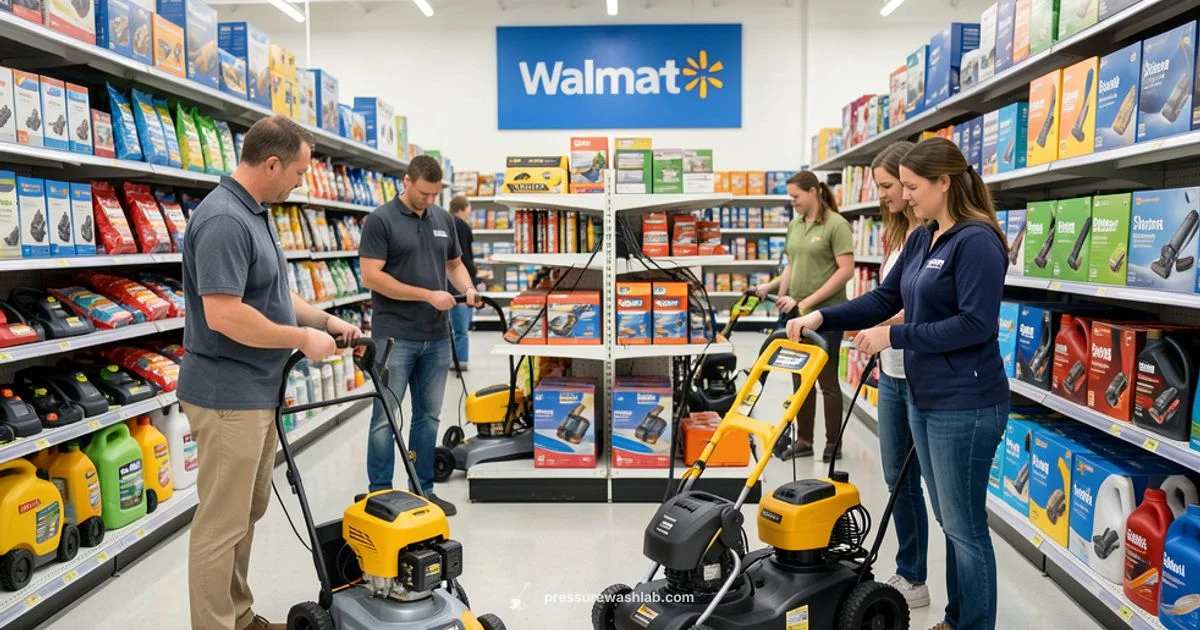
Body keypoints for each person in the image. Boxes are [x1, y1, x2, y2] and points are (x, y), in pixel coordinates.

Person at [788, 136, 1010, 630]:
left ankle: (970, 624)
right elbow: (884, 298)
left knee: (964, 527)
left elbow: (977, 325)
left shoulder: (976, 241)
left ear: (943, 182)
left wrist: (894, 336)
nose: (904, 196)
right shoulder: (921, 237)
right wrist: (822, 316)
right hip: (926, 396)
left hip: (967, 403)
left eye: (911, 186)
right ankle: (957, 618)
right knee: (950, 522)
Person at [179, 115, 363, 630]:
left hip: (254, 392)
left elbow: (274, 296)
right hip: (225, 394)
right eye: (299, 172)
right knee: (221, 524)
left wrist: (325, 321)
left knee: (244, 514)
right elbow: (225, 314)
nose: (301, 182)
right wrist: (302, 339)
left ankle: (238, 617)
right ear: (272, 163)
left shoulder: (252, 213)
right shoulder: (224, 221)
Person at [359, 155, 480, 516]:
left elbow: (454, 264)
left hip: (437, 337)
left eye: (434, 194)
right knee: (386, 416)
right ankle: (378, 494)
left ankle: (422, 488)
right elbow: (372, 276)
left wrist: (468, 289)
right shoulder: (381, 220)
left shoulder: (444, 220)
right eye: (423, 193)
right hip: (395, 336)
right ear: (407, 181)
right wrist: (428, 294)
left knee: (427, 417)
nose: (428, 201)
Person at [869, 141, 931, 609]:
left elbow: (923, 308)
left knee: (925, 484)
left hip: (920, 374)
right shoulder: (898, 235)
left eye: (891, 186)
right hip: (891, 372)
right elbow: (889, 297)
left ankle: (917, 578)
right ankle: (911, 574)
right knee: (897, 479)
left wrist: (883, 328)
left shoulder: (936, 235)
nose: (886, 195)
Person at [758, 171, 854, 462]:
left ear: (813, 192)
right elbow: (791, 264)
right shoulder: (795, 225)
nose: (793, 203)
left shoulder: (836, 225)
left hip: (827, 315)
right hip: (797, 316)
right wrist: (775, 289)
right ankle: (804, 439)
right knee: (800, 379)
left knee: (826, 380)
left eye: (796, 197)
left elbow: (846, 270)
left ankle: (833, 443)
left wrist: (807, 302)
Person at [447, 195, 480, 371]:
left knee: (446, 329)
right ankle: (462, 361)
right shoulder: (463, 226)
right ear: (463, 208)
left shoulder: (442, 221)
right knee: (461, 329)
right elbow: (466, 257)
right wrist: (473, 281)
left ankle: (449, 360)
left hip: (443, 284)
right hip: (462, 284)